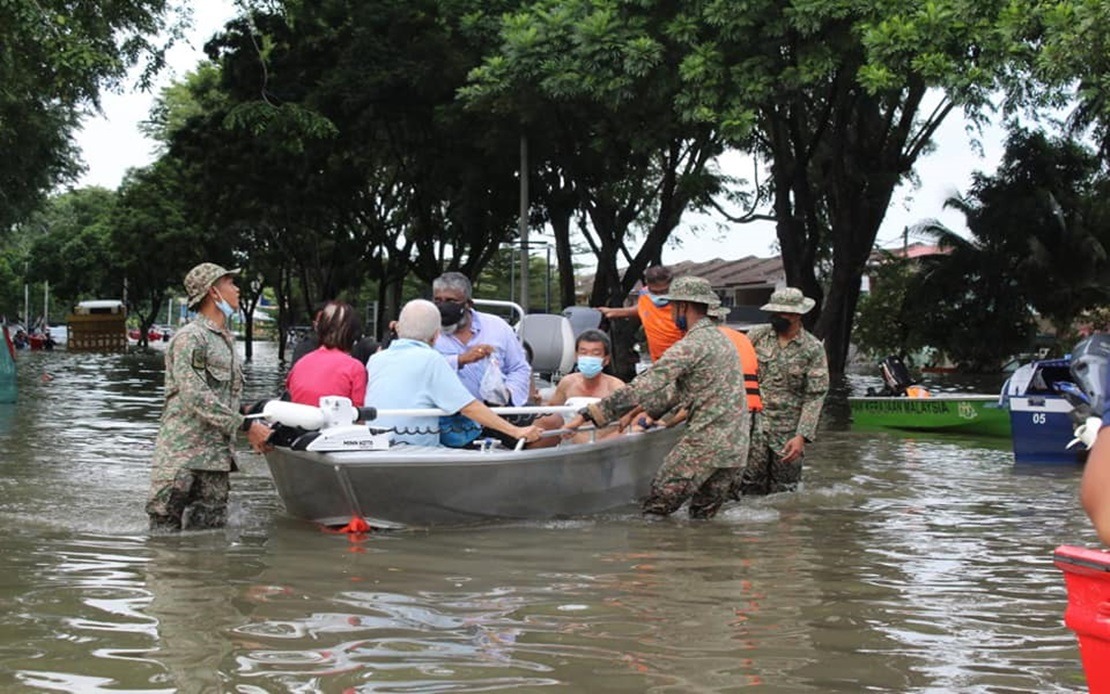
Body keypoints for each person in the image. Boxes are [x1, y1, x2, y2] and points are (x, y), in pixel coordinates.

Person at [564, 276, 749, 519]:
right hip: (735, 449)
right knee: (702, 520)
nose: (671, 314)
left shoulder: (691, 345)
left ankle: (655, 557)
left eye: (672, 307)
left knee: (655, 513)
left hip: (705, 445)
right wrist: (644, 413)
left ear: (684, 307)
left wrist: (592, 413)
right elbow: (677, 391)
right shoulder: (721, 342)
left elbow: (645, 384)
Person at [146, 262, 273, 532]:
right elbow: (195, 395)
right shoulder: (190, 338)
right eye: (230, 283)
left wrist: (254, 415)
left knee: (208, 547)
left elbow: (221, 397)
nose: (237, 289)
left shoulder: (225, 340)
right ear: (214, 292)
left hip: (216, 462)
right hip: (182, 460)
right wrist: (246, 426)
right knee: (163, 544)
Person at [366, 299, 544, 448]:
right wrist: (516, 431)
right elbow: (468, 407)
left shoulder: (376, 360)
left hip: (379, 444)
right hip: (417, 448)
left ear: (397, 328)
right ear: (436, 335)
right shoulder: (431, 359)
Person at [734, 287, 829, 498]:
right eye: (774, 312)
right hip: (755, 425)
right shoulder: (757, 336)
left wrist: (801, 436)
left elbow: (815, 395)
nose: (776, 317)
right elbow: (737, 372)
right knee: (748, 486)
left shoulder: (812, 348)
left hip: (788, 431)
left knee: (785, 493)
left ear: (797, 314)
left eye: (782, 313)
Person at [285, 301, 367, 407]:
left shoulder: (299, 364)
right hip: (337, 423)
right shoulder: (355, 368)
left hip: (299, 422)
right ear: (353, 334)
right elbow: (359, 415)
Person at [595, 265, 684, 363]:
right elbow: (643, 308)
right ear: (647, 284)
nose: (660, 295)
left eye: (664, 291)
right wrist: (615, 312)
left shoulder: (684, 300)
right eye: (655, 292)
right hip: (658, 359)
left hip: (683, 356)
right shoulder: (645, 294)